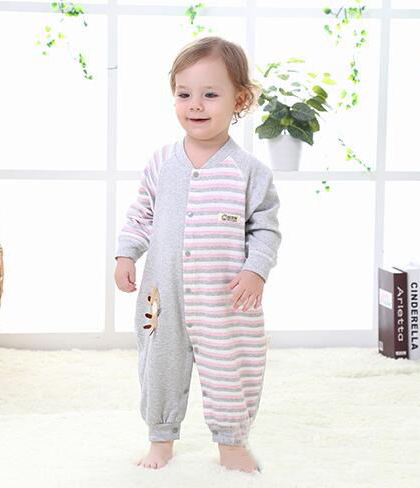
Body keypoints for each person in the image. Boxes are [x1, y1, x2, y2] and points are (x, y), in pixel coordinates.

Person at [114, 35, 282, 474]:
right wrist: (126, 254)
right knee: (158, 367)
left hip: (225, 299)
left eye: (210, 94)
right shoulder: (161, 162)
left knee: (232, 371)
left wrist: (256, 270)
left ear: (239, 100)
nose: (196, 105)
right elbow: (141, 214)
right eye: (184, 94)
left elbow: (265, 229)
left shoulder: (249, 172)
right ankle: (160, 438)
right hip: (163, 296)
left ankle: (232, 444)